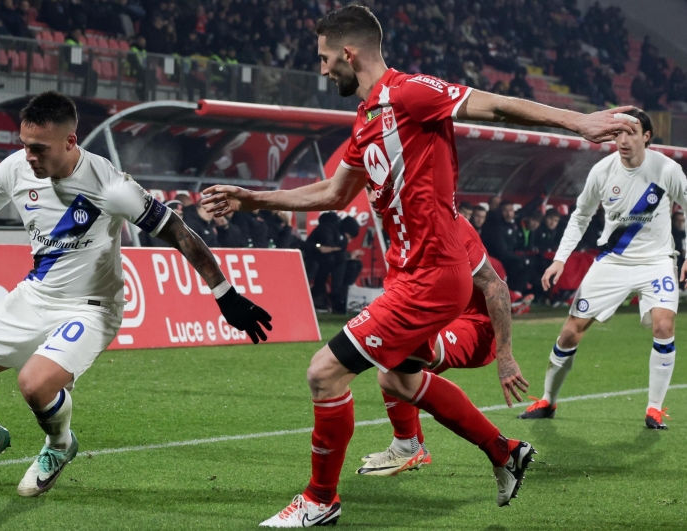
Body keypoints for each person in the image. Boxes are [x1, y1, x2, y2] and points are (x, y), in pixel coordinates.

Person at [201, 5, 633, 526]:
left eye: (323, 58)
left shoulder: (408, 93)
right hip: (411, 274)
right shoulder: (365, 120)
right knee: (400, 381)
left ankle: (320, 500)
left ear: (348, 53)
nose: (321, 69)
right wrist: (255, 200)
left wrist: (576, 121)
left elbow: (490, 106)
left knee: (324, 372)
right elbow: (335, 193)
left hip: (432, 276)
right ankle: (504, 452)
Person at [0, 92, 272, 498]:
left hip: (92, 307)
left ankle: (59, 445)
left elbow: (180, 232)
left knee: (35, 384)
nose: (29, 157)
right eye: (25, 146)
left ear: (70, 142)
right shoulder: (16, 168)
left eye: (39, 148)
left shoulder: (110, 185)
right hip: (36, 295)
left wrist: (225, 294)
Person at [520, 109, 687, 430]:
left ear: (646, 137)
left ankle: (654, 409)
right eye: (617, 134)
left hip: (657, 261)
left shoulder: (667, 169)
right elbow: (580, 216)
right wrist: (560, 258)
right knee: (570, 332)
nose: (622, 140)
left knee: (664, 326)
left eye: (631, 133)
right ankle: (547, 400)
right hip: (613, 261)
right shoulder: (602, 171)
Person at [359, 213, 524, 476]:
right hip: (442, 317)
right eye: (368, 188)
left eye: (376, 186)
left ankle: (499, 448)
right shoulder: (402, 226)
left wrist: (506, 357)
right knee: (395, 364)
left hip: (476, 326)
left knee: (399, 358)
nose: (372, 195)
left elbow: (497, 287)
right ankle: (411, 446)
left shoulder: (448, 224)